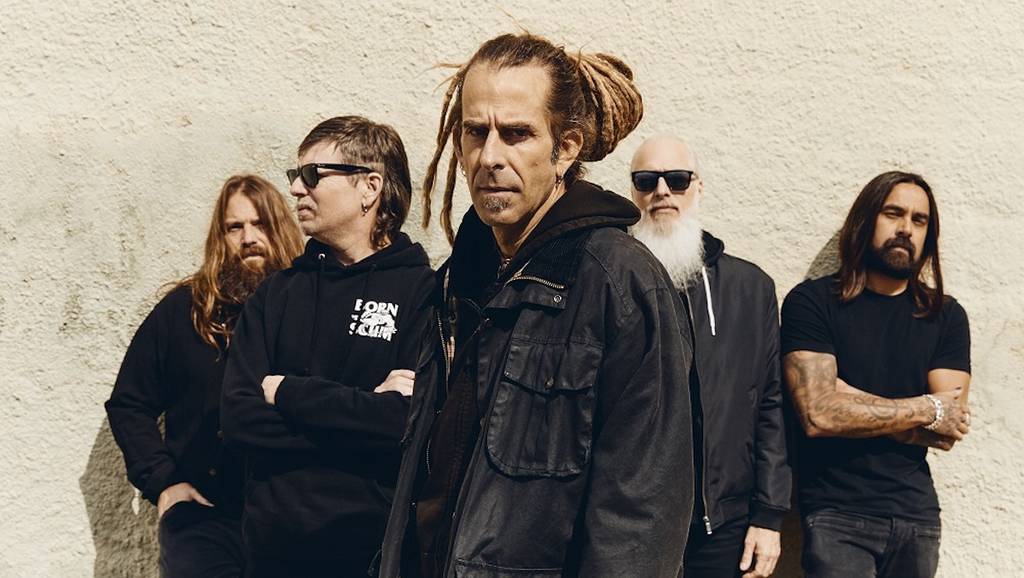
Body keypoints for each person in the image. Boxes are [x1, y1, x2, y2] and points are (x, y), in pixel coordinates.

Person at [378, 33, 695, 578]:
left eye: (517, 133)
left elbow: (640, 512)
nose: (490, 157)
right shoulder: (459, 277)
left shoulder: (620, 282)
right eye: (475, 132)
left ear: (565, 148)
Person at [219, 115, 434, 578]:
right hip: (274, 555)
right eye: (296, 175)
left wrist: (289, 393)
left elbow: (406, 425)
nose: (296, 188)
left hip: (370, 554)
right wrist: (363, 407)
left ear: (370, 187)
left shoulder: (424, 294)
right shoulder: (276, 294)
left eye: (313, 174)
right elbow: (237, 419)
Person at [106, 174, 303, 577]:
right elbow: (129, 403)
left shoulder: (309, 309)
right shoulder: (184, 310)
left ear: (280, 228)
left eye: (260, 224)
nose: (249, 238)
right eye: (235, 227)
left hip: (290, 520)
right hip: (201, 517)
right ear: (220, 236)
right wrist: (164, 482)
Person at [781, 171, 971, 578]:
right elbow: (818, 416)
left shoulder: (946, 316)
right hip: (837, 515)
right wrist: (926, 408)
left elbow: (947, 429)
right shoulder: (812, 302)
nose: (906, 228)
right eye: (893, 213)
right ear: (866, 220)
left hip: (917, 518)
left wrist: (845, 397)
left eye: (919, 220)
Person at [629, 135, 790, 578]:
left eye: (677, 179)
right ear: (633, 193)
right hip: (632, 525)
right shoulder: (611, 282)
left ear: (698, 187)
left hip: (723, 525)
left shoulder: (750, 288)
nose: (662, 191)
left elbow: (770, 405)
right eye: (647, 180)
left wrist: (769, 516)